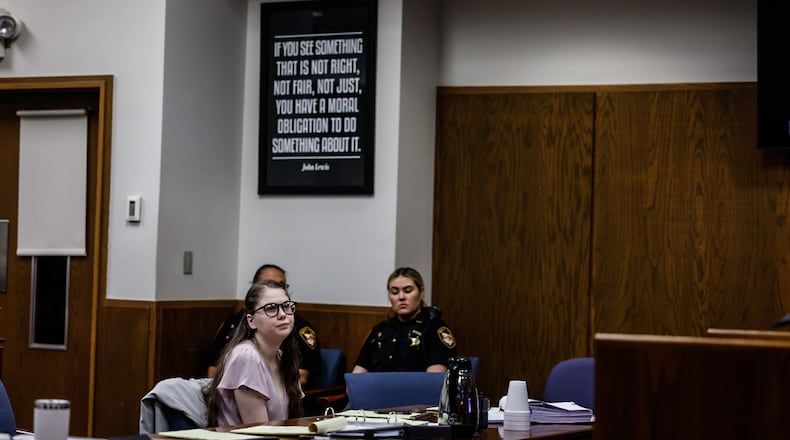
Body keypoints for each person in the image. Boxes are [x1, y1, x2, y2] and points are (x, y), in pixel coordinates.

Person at [205, 280, 303, 426]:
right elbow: (259, 432)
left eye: (287, 306)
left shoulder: (283, 356)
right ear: (252, 321)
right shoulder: (246, 357)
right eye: (271, 308)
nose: (283, 314)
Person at [206, 264, 322, 386]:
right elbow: (213, 371)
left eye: (281, 285)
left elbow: (300, 378)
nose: (282, 315)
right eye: (269, 284)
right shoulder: (234, 325)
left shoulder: (297, 327)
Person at [352, 267, 458, 373]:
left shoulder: (434, 328)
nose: (401, 297)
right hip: (378, 388)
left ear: (421, 292)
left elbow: (435, 380)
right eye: (394, 292)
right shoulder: (381, 329)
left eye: (408, 291)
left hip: (416, 389)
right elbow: (357, 375)